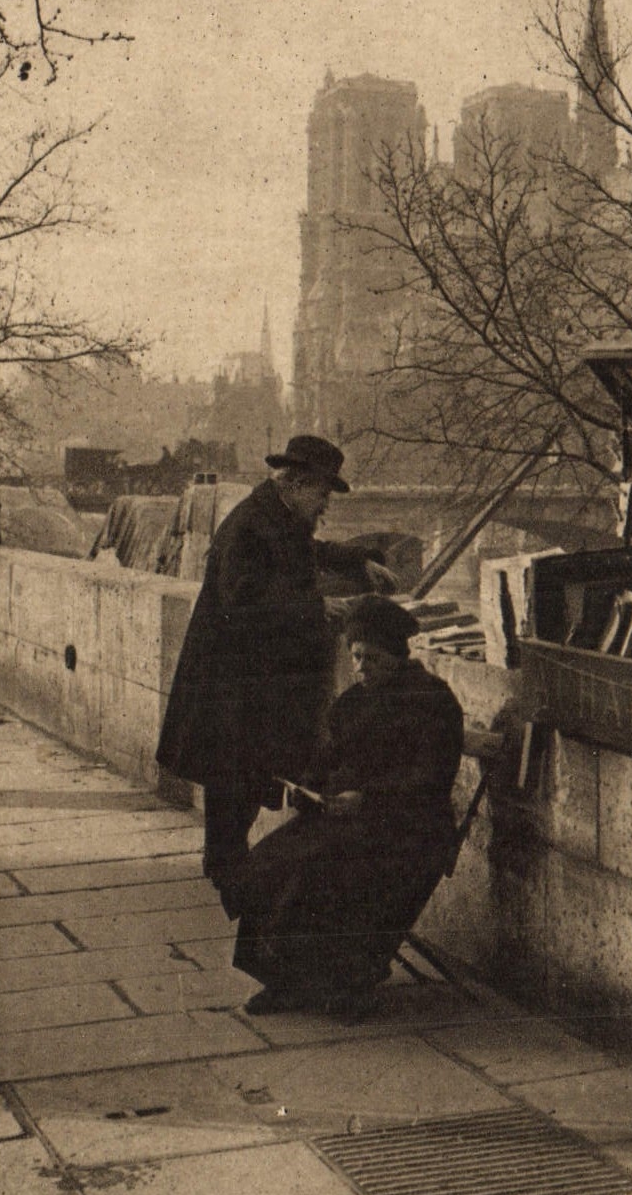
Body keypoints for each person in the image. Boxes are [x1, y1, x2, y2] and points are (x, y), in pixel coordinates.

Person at [155, 435, 394, 914]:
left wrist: (355, 559)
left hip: (245, 683)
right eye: (323, 494)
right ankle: (233, 886)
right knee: (233, 788)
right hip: (231, 684)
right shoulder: (250, 526)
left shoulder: (275, 516)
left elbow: (306, 552)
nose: (326, 505)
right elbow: (241, 603)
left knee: (241, 782)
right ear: (298, 484)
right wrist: (318, 605)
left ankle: (237, 883)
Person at [231, 594, 464, 1020]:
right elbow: (326, 761)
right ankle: (282, 980)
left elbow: (429, 779)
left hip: (409, 824)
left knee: (322, 869)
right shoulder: (354, 701)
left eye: (371, 658)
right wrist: (307, 789)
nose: (360, 668)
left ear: (396, 654)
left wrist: (368, 797)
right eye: (355, 657)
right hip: (348, 818)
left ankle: (343, 983)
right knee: (269, 862)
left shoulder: (433, 700)